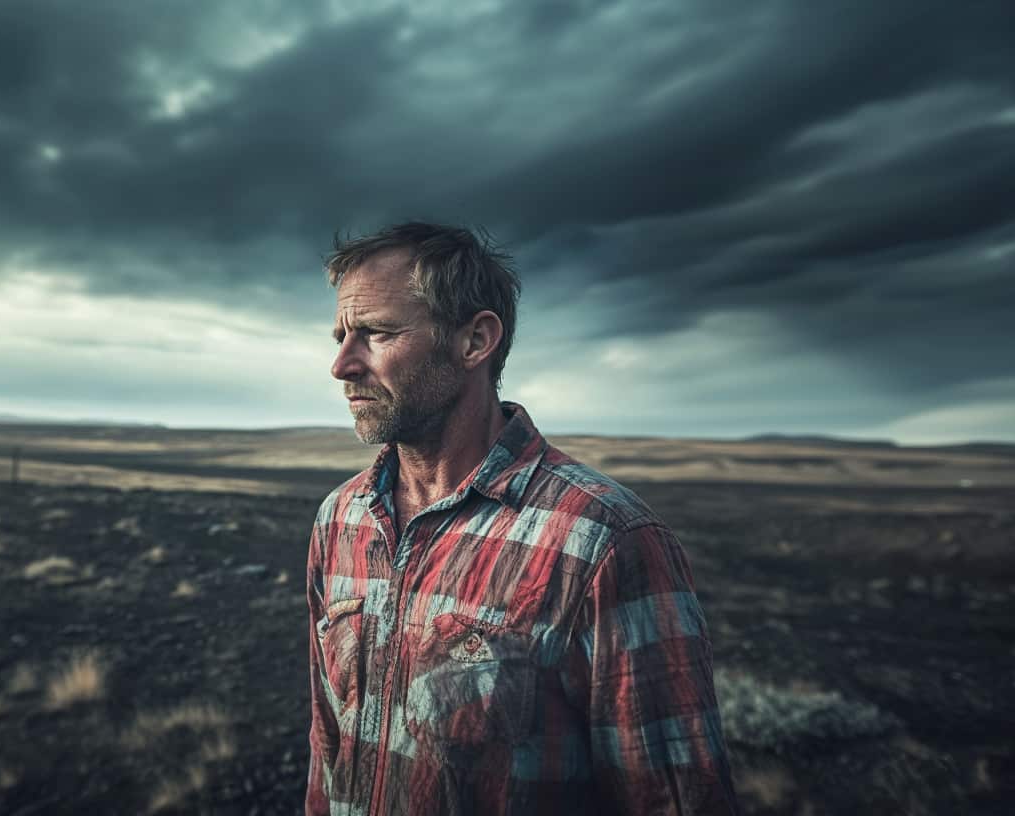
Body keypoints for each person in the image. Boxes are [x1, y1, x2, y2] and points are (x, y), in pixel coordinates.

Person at [306, 222, 739, 815]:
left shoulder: (603, 540)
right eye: (340, 337)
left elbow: (673, 799)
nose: (342, 365)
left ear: (475, 341)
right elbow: (327, 749)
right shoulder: (341, 520)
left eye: (376, 333)